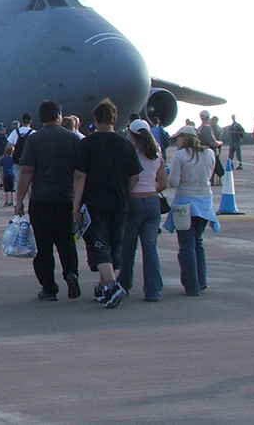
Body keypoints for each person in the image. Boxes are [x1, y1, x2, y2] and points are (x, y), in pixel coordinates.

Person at [72, 99, 143, 308]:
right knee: (113, 248)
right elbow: (136, 175)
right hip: (119, 203)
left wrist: (76, 205)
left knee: (99, 246)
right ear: (115, 119)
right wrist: (125, 191)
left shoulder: (87, 144)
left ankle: (112, 285)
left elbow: (79, 176)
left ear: (96, 119)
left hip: (94, 203)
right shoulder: (125, 144)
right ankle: (103, 288)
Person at [13, 100, 81, 302]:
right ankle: (71, 273)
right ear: (60, 116)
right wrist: (78, 201)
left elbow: (27, 171)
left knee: (43, 247)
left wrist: (19, 201)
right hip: (65, 199)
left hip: (41, 199)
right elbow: (80, 173)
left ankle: (49, 288)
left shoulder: (34, 140)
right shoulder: (73, 139)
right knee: (67, 241)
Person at [163, 125, 220, 296]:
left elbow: (173, 182)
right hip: (204, 202)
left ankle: (191, 284)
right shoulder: (209, 153)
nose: (177, 142)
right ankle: (201, 281)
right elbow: (208, 175)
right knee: (198, 242)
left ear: (184, 138)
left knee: (186, 246)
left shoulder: (180, 156)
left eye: (178, 138)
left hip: (184, 203)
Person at [118, 119, 168, 302]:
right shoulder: (156, 153)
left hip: (134, 203)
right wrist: (150, 191)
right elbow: (163, 182)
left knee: (128, 248)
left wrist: (127, 192)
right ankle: (154, 290)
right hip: (153, 203)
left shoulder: (130, 153)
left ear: (131, 135)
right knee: (150, 249)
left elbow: (134, 177)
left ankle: (124, 285)